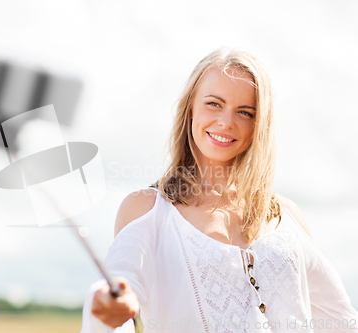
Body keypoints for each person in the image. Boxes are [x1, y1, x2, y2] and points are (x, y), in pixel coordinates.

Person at [80, 48, 358, 333]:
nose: (226, 122)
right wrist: (109, 304)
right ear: (190, 108)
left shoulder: (286, 217)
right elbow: (119, 283)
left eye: (245, 112)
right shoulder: (148, 210)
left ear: (258, 125)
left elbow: (341, 320)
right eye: (214, 104)